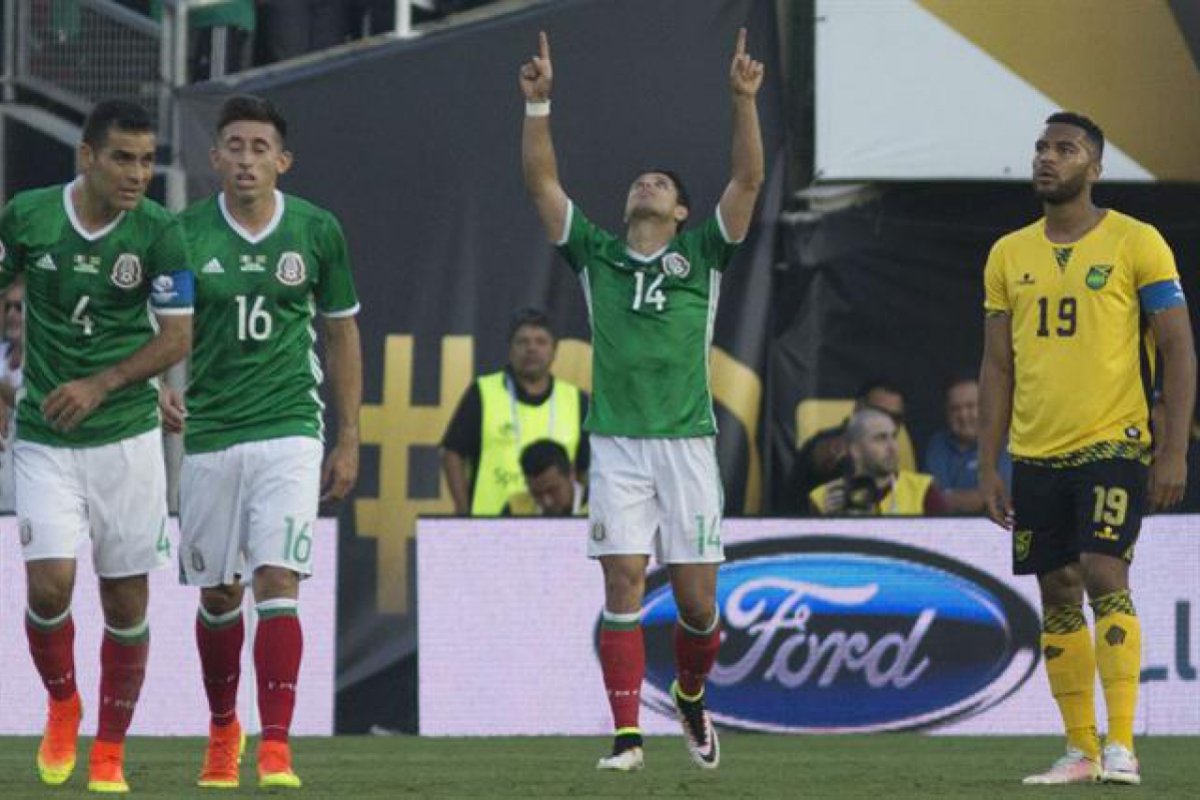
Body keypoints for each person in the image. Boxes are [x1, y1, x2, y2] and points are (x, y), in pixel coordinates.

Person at [520, 28, 764, 771]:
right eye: (639, 182)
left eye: (662, 184)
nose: (645, 186)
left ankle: (690, 694)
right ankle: (628, 737)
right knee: (623, 580)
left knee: (696, 607)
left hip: (688, 444)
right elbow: (542, 185)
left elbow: (748, 182)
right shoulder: (597, 254)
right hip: (619, 443)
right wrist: (538, 106)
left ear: (684, 213)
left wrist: (744, 101)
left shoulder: (703, 256)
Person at [978, 112, 1196, 786]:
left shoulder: (1137, 242)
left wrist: (1172, 450)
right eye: (1042, 147)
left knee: (1104, 571)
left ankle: (1123, 744)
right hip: (1037, 453)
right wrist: (990, 462)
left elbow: (1178, 346)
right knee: (1058, 589)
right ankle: (1080, 749)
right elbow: (996, 366)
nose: (1048, 158)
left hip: (1115, 442)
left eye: (1065, 149)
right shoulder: (1008, 253)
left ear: (1094, 168)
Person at [163, 94, 362, 790]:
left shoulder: (316, 230)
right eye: (234, 146)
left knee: (278, 580)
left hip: (290, 429)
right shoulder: (182, 233)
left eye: (259, 148)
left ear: (283, 160)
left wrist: (349, 436)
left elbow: (340, 331)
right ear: (214, 157)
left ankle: (276, 745)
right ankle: (224, 729)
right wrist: (153, 384)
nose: (247, 160)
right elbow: (146, 324)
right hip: (212, 432)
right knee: (219, 595)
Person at [0, 99, 194, 793]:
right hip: (48, 434)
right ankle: (61, 705)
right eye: (123, 158)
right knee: (50, 585)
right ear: (87, 156)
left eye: (146, 159)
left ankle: (109, 748)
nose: (138, 173)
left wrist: (105, 382)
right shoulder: (27, 215)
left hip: (127, 437)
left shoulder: (162, 234)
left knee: (125, 603)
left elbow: (177, 336)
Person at [440, 307, 588, 516]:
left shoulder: (576, 400)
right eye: (523, 341)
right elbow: (451, 453)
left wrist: (578, 517)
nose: (531, 348)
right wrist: (464, 514)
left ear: (555, 350)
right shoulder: (483, 393)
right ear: (510, 349)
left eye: (541, 341)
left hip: (558, 531)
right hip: (487, 526)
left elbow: (586, 468)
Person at [810, 407, 946, 515]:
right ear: (855, 450)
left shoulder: (924, 491)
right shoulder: (823, 497)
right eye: (880, 438)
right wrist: (829, 523)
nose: (892, 447)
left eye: (893, 437)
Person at [793, 378, 909, 504]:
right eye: (879, 413)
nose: (888, 422)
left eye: (895, 418)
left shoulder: (901, 453)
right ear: (858, 408)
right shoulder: (834, 443)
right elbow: (824, 456)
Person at [924, 377, 1011, 514]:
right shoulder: (938, 445)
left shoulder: (1004, 443)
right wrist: (981, 497)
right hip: (949, 531)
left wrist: (953, 497)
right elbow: (936, 500)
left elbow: (1002, 497)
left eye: (970, 406)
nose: (963, 415)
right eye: (955, 409)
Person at [503, 439, 586, 516]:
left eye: (553, 490)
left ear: (571, 473)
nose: (547, 502)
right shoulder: (515, 510)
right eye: (536, 494)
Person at [0, 279, 25, 512]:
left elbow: (32, 401)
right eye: (7, 307)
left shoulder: (48, 359)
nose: (11, 314)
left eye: (18, 307)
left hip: (30, 474)